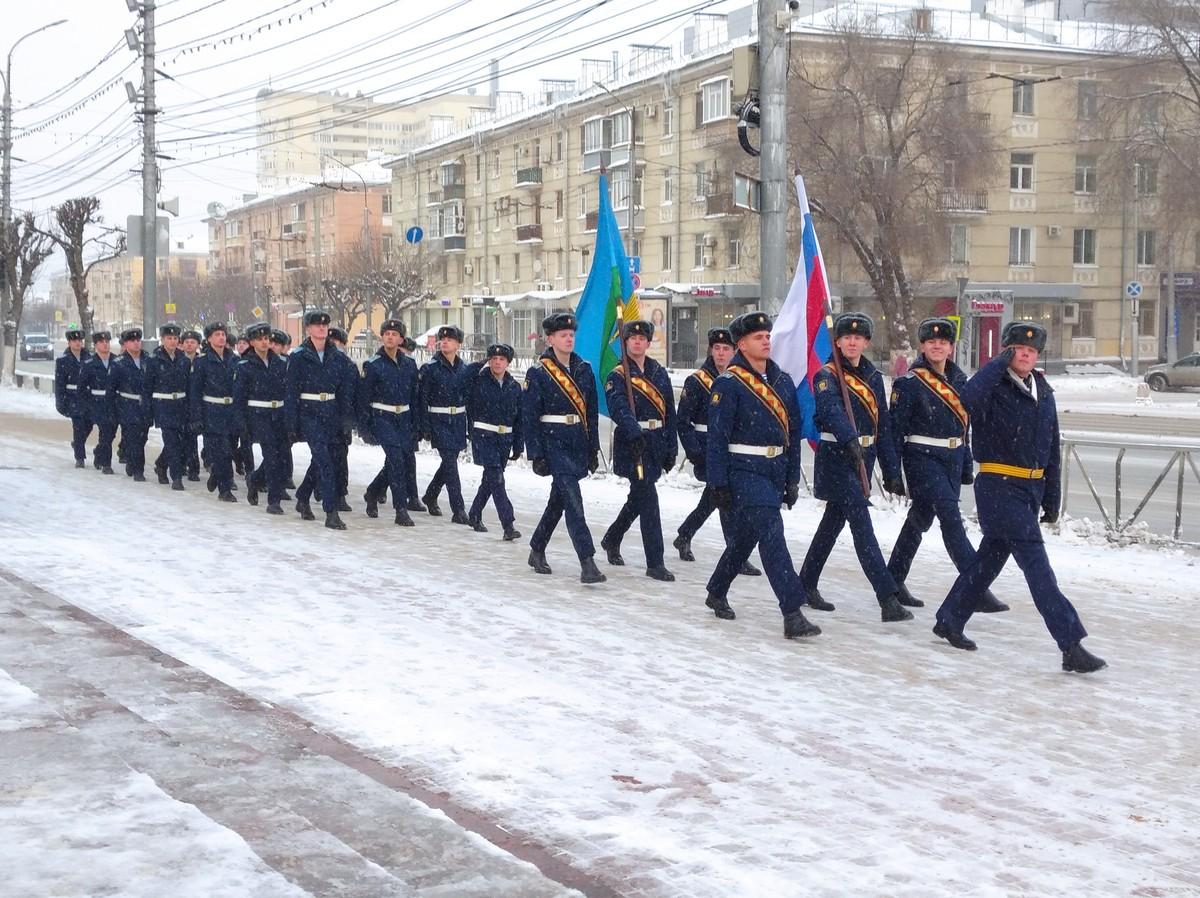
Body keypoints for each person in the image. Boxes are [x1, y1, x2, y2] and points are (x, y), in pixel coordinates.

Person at [934, 321, 1106, 673]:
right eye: (1018, 349)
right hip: (998, 486)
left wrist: (1051, 497)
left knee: (989, 560)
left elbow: (1051, 447)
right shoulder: (992, 386)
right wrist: (997, 363)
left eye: (1031, 351)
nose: (1025, 355)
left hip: (1030, 489)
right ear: (1007, 351)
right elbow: (966, 398)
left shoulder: (1043, 390)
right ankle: (1070, 644)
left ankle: (950, 618)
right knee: (1038, 568)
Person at [702, 311, 819, 638]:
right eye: (758, 337)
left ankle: (716, 588)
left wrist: (792, 478)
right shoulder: (729, 383)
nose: (766, 340)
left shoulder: (782, 382)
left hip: (774, 471)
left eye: (767, 335)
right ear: (742, 344)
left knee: (747, 538)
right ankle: (792, 611)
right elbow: (717, 438)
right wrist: (718, 483)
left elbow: (792, 433)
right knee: (772, 533)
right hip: (744, 471)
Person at [886, 318, 1008, 613]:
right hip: (921, 457)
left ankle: (892, 579)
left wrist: (965, 463)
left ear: (951, 347)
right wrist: (892, 473)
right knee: (950, 519)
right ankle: (974, 586)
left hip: (951, 460)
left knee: (920, 518)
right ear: (922, 346)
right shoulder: (909, 383)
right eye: (931, 342)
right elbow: (893, 431)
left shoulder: (961, 382)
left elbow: (963, 427)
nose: (937, 346)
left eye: (943, 342)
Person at [798, 312, 913, 623]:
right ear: (837, 341)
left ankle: (805, 583)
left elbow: (883, 426)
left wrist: (891, 471)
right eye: (846, 337)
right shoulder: (827, 375)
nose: (852, 341)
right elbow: (830, 409)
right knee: (862, 528)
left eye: (858, 337)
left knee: (831, 526)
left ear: (866, 342)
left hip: (864, 457)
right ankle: (887, 597)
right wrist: (848, 439)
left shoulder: (873, 378)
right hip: (837, 456)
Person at [524, 312, 605, 584]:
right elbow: (530, 416)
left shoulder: (584, 369)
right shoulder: (538, 372)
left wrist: (593, 448)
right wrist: (535, 453)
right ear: (550, 339)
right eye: (563, 335)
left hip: (577, 442)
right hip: (552, 441)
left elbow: (591, 413)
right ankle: (587, 562)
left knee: (559, 501)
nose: (569, 339)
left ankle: (537, 548)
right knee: (574, 502)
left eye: (571, 335)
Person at [674, 326, 761, 576]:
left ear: (734, 351)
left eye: (726, 349)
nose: (721, 354)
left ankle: (685, 535)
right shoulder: (697, 381)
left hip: (729, 451)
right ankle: (736, 554)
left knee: (715, 498)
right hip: (706, 450)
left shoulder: (739, 380)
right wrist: (695, 452)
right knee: (725, 501)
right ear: (711, 351)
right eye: (717, 349)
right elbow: (683, 421)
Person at [600, 319, 677, 581]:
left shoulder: (658, 372)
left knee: (639, 498)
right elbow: (618, 406)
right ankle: (655, 562)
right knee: (649, 499)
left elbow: (669, 412)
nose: (637, 341)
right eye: (632, 338)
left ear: (648, 341)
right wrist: (633, 429)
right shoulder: (618, 374)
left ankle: (612, 538)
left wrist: (671, 448)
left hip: (655, 443)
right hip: (633, 443)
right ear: (625, 342)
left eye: (642, 338)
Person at [286, 309, 355, 529]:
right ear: (308, 329)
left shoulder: (338, 357)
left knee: (324, 460)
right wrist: (292, 423)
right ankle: (331, 511)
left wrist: (346, 421)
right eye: (316, 325)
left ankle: (303, 495)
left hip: (331, 413)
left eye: (324, 325)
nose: (322, 328)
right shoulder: (298, 357)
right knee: (325, 462)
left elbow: (344, 392)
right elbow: (291, 392)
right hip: (309, 412)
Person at [358, 319, 420, 527]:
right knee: (396, 459)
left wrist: (417, 424)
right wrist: (364, 427)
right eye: (386, 334)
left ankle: (373, 492)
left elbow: (415, 397)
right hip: (382, 417)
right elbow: (363, 398)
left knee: (400, 460)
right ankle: (400, 509)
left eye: (394, 334)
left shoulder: (410, 365)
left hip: (403, 418)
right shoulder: (373, 365)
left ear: (401, 339)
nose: (390, 337)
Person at [465, 342, 523, 539]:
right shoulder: (478, 381)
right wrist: (479, 363)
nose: (497, 363)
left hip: (504, 439)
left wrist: (518, 444)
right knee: (497, 479)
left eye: (502, 359)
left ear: (508, 363)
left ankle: (474, 513)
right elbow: (462, 378)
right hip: (483, 436)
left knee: (490, 481)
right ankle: (508, 525)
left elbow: (519, 418)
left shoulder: (514, 387)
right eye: (493, 359)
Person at [235, 322, 290, 514]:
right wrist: (242, 422)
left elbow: (287, 392)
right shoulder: (244, 366)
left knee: (282, 456)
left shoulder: (281, 363)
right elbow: (239, 397)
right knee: (272, 457)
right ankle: (273, 501)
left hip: (279, 415)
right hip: (258, 415)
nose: (265, 342)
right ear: (252, 342)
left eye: (267, 338)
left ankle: (256, 480)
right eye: (260, 339)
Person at [419, 325, 470, 523]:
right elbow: (422, 399)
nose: (445, 342)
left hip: (457, 421)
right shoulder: (430, 369)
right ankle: (459, 510)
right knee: (450, 462)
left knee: (449, 464)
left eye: (450, 339)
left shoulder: (464, 369)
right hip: (438, 420)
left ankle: (431, 495)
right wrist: (425, 425)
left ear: (458, 344)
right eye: (443, 339)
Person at [190, 322, 241, 502]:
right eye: (217, 334)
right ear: (209, 338)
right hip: (212, 411)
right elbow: (195, 392)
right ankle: (224, 489)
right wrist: (196, 417)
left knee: (230, 450)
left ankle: (217, 476)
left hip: (231, 412)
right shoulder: (202, 362)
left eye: (223, 334)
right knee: (221, 452)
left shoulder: (234, 360)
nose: (221, 337)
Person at [143, 322, 192, 490]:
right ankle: (176, 477)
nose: (172, 341)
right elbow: (147, 387)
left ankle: (161, 464)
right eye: (169, 338)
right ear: (162, 340)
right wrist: (148, 410)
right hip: (163, 406)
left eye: (175, 338)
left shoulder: (184, 360)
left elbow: (188, 386)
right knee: (171, 441)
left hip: (181, 405)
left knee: (183, 442)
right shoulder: (154, 360)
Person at [77, 331, 118, 474]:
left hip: (112, 404)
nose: (105, 344)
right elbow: (81, 387)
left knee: (110, 434)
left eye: (107, 341)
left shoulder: (116, 361)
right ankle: (106, 464)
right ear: (96, 345)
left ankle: (99, 452)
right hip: (96, 403)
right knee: (105, 432)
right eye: (102, 342)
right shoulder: (89, 364)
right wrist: (87, 405)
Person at [112, 328, 150, 481]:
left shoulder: (148, 360)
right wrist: (113, 410)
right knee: (134, 438)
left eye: (138, 340)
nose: (136, 343)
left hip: (144, 406)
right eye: (132, 341)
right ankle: (138, 470)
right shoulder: (119, 363)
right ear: (126, 344)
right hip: (127, 405)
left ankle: (131, 461)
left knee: (143, 437)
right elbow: (111, 389)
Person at [326, 325, 357, 510]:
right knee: (323, 458)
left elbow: (354, 394)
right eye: (331, 342)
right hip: (325, 416)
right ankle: (318, 490)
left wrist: (351, 420)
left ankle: (341, 493)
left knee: (341, 457)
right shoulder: (323, 364)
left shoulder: (349, 365)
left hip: (342, 418)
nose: (334, 345)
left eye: (337, 342)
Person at [54, 328, 92, 468]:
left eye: (79, 340)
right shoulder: (63, 361)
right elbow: (59, 384)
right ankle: (80, 458)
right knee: (78, 427)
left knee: (89, 424)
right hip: (72, 399)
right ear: (69, 342)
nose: (78, 343)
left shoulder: (88, 357)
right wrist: (60, 402)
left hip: (88, 398)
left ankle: (77, 443)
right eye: (74, 341)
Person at [268, 329, 296, 491]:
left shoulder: (288, 364)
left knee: (283, 448)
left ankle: (285, 478)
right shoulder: (260, 363)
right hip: (264, 413)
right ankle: (268, 481)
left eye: (276, 344)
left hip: (283, 411)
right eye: (270, 343)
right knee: (272, 450)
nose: (272, 346)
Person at [178, 329, 203, 482]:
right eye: (186, 342)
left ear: (197, 345)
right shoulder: (178, 361)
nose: (189, 345)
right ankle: (181, 464)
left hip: (197, 404)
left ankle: (193, 468)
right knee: (179, 436)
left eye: (192, 342)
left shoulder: (201, 362)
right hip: (180, 403)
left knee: (192, 436)